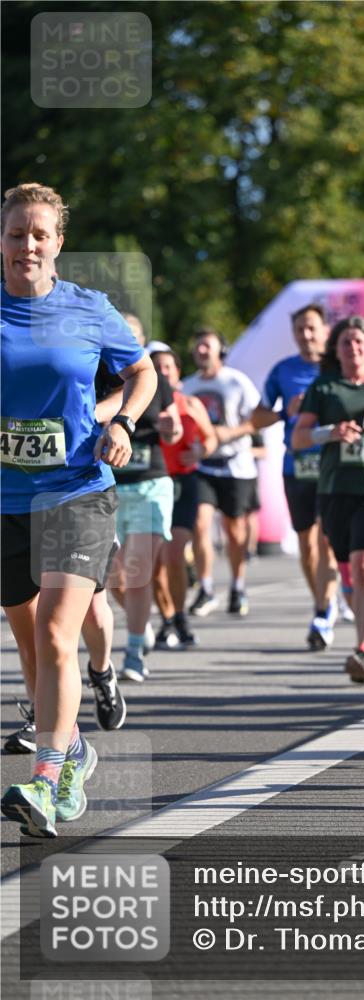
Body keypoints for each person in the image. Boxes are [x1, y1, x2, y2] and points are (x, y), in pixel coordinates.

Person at [0, 182, 156, 836]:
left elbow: (142, 373)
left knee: (59, 634)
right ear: (1, 242)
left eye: (40, 234)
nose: (27, 245)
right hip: (6, 498)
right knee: (31, 644)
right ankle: (70, 750)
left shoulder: (89, 310)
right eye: (16, 234)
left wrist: (121, 420)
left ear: (58, 243)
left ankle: (44, 781)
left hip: (77, 489)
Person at [292, 315, 364, 682]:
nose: (353, 348)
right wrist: (331, 432)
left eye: (359, 341)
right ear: (335, 350)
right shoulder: (323, 387)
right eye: (345, 342)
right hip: (336, 488)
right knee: (348, 571)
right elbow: (299, 439)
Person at [252, 303, 339, 649]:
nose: (306, 335)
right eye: (300, 329)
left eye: (312, 328)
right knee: (306, 544)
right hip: (297, 466)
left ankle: (323, 609)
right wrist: (282, 412)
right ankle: (323, 598)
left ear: (326, 331)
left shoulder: (337, 368)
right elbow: (256, 420)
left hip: (334, 465)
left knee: (327, 541)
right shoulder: (283, 371)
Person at [101, 317, 183, 682]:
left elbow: (174, 424)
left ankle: (134, 653)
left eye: (132, 337)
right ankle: (142, 624)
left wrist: (171, 427)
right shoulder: (96, 374)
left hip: (151, 483)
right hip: (109, 486)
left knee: (137, 571)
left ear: (142, 342)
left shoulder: (155, 379)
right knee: (113, 576)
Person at [182, 328, 260, 618]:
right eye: (198, 346)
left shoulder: (237, 382)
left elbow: (257, 421)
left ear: (221, 350)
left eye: (207, 346)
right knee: (200, 523)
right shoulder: (186, 386)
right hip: (202, 465)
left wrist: (229, 432)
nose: (201, 351)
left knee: (234, 530)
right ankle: (205, 588)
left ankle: (238, 586)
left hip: (236, 464)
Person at [148, 343, 217, 648]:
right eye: (157, 367)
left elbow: (211, 438)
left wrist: (201, 450)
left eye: (168, 367)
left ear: (177, 372)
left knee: (174, 553)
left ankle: (180, 616)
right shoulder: (140, 405)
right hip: (149, 484)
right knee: (152, 562)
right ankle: (167, 618)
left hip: (183, 484)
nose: (163, 372)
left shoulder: (190, 403)